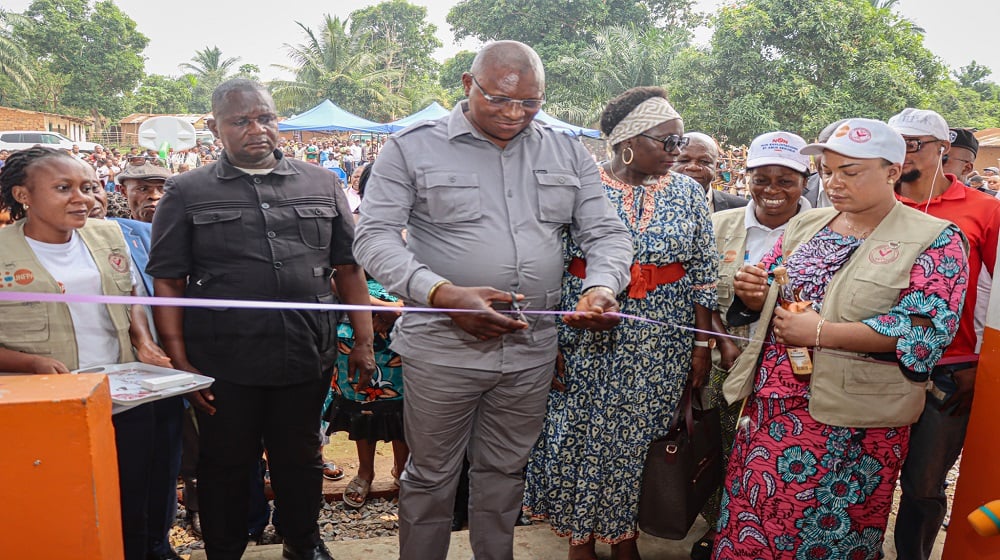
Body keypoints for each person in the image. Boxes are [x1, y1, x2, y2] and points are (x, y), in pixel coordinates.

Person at [352, 41, 632, 560]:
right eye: (498, 100)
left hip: (530, 348)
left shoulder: (567, 150)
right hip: (442, 344)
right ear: (467, 85)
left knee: (504, 472)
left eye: (530, 103)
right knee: (432, 475)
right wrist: (441, 293)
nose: (513, 114)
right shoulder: (412, 147)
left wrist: (601, 287)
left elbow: (607, 234)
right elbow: (373, 239)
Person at [715, 118, 968, 559]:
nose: (834, 183)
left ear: (892, 171)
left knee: (829, 532)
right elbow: (772, 290)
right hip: (772, 407)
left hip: (853, 425)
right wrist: (752, 291)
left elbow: (925, 330)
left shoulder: (935, 239)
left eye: (850, 172)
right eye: (828, 171)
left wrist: (821, 333)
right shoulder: (808, 225)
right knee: (753, 517)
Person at [147, 79, 375, 560]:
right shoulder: (187, 190)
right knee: (226, 462)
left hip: (306, 353)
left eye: (266, 118)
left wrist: (363, 342)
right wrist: (180, 360)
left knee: (301, 458)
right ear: (215, 128)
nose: (257, 129)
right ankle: (225, 550)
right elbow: (168, 279)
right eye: (241, 121)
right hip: (223, 360)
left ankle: (302, 542)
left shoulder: (321, 182)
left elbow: (348, 268)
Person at [522, 86, 717, 560]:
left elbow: (704, 273)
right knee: (580, 435)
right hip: (583, 331)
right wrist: (546, 341)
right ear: (628, 141)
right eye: (666, 141)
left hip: (660, 341)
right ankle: (580, 540)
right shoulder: (578, 189)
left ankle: (623, 534)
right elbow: (544, 266)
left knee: (638, 440)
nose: (677, 152)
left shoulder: (690, 193)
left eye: (680, 140)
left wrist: (700, 346)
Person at [0, 147, 173, 560]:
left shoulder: (107, 234)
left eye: (88, 187)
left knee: (135, 489)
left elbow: (130, 292)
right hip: (45, 401)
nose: (83, 199)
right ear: (24, 195)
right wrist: (31, 363)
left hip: (121, 391)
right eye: (64, 189)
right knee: (61, 494)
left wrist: (142, 340)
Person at [692, 131, 813, 560]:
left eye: (786, 180)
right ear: (746, 178)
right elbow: (704, 293)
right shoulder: (719, 226)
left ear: (806, 180)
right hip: (731, 357)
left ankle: (774, 531)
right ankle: (719, 527)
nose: (773, 191)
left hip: (796, 369)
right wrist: (721, 345)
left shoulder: (826, 230)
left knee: (779, 455)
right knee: (723, 448)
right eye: (762, 179)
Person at [888, 108, 1000, 560]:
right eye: (896, 143)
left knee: (922, 485)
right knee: (865, 474)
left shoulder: (986, 210)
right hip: (872, 362)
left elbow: (996, 299)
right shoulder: (874, 205)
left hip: (950, 373)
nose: (903, 153)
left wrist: (981, 365)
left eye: (914, 144)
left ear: (942, 150)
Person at [324, 163, 408, 509]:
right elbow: (335, 277)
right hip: (358, 330)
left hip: (406, 328)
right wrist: (375, 309)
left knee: (403, 410)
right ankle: (365, 472)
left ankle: (403, 470)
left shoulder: (420, 229)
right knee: (363, 405)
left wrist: (400, 309)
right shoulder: (352, 226)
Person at [678, 132, 748, 213]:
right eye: (684, 160)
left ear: (716, 165)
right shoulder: (659, 204)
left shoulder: (741, 209)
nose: (693, 167)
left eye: (704, 161)